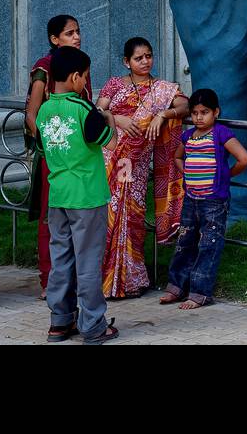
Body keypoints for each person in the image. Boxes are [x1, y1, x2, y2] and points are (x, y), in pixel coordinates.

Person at [29, 46, 119, 344]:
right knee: (88, 262)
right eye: (86, 77)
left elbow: (42, 149)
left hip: (58, 197)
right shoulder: (84, 110)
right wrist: (110, 118)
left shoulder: (43, 111)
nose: (86, 82)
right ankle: (93, 325)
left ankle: (60, 322)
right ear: (76, 77)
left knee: (62, 260)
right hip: (88, 197)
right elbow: (110, 144)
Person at [96, 37, 189, 299]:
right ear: (127, 62)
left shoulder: (162, 88)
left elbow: (185, 105)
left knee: (133, 219)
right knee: (107, 218)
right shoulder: (115, 84)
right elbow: (98, 112)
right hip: (111, 161)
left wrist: (163, 114)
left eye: (149, 56)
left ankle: (130, 281)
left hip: (136, 168)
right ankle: (102, 281)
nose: (145, 61)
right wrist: (119, 119)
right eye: (139, 58)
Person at [159, 89, 247, 309]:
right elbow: (178, 156)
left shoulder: (220, 133)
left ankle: (200, 292)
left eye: (205, 112)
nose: (199, 117)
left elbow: (244, 158)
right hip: (191, 198)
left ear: (216, 112)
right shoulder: (188, 135)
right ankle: (176, 286)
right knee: (184, 241)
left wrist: (225, 175)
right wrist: (187, 173)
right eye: (195, 112)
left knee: (208, 244)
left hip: (213, 201)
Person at [25, 15, 90, 298]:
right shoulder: (44, 68)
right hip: (56, 154)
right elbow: (32, 114)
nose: (76, 37)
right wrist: (51, 145)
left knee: (81, 215)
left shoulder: (80, 64)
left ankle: (76, 280)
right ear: (54, 39)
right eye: (69, 33)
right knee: (53, 219)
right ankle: (49, 281)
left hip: (81, 156)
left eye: (77, 32)